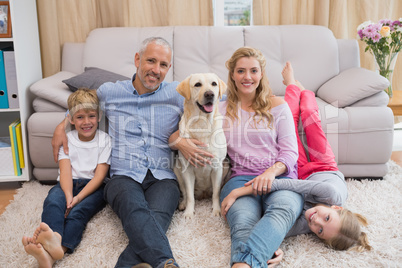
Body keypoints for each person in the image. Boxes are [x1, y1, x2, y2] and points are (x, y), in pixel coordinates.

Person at [51, 37, 188, 268]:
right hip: (123, 176)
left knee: (157, 216)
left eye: (163, 65)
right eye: (151, 61)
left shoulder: (177, 92)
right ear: (137, 59)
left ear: (168, 68)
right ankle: (166, 262)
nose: (156, 70)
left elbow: (221, 102)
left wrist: (269, 98)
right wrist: (60, 126)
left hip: (163, 176)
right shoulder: (110, 92)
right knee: (134, 208)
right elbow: (80, 106)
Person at [221, 62, 371, 263]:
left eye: (319, 231)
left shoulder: (310, 222)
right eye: (326, 218)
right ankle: (297, 87)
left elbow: (276, 225)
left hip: (298, 170)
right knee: (307, 116)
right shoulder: (332, 194)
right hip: (322, 165)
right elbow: (287, 184)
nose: (316, 221)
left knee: (289, 122)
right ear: (336, 208)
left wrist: (273, 247)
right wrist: (239, 191)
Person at [208, 46, 302, 268]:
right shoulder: (219, 109)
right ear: (232, 75)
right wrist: (181, 141)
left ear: (261, 74)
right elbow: (185, 128)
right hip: (240, 179)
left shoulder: (278, 106)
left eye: (253, 71)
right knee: (242, 222)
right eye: (241, 71)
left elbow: (290, 152)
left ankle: (244, 264)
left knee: (283, 211)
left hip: (280, 178)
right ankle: (260, 253)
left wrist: (270, 173)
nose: (247, 77)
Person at [22, 88, 112, 267]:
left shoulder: (105, 140)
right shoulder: (67, 139)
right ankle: (54, 238)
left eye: (91, 116)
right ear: (70, 118)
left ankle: (57, 251)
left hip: (94, 187)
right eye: (79, 117)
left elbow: (99, 177)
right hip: (67, 183)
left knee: (78, 213)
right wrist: (68, 195)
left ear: (99, 116)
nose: (86, 122)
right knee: (53, 201)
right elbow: (65, 172)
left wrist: (77, 198)